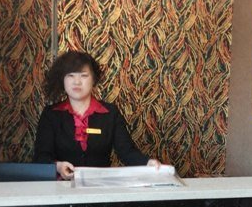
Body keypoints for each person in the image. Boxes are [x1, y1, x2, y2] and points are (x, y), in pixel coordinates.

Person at [33, 51, 160, 179]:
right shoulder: (51, 114)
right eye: (70, 75)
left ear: (94, 79)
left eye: (84, 75)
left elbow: (127, 151)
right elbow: (41, 157)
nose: (77, 82)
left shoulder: (110, 113)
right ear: (62, 79)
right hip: (60, 186)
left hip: (100, 185)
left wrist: (147, 163)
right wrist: (58, 166)